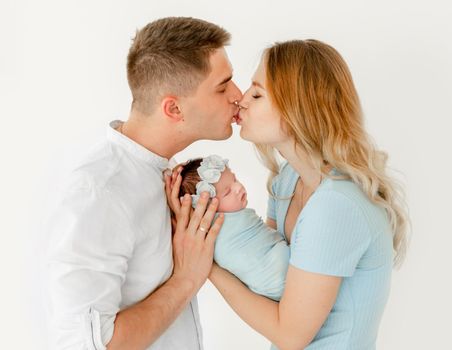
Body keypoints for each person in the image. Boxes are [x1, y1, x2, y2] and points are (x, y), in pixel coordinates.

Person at [169, 40, 409, 349]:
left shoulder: (336, 206)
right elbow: (261, 272)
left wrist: (205, 265)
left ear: (298, 108)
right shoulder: (288, 180)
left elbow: (289, 334)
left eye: (257, 94)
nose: (241, 100)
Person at [45, 17, 241, 350]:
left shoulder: (165, 175)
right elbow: (90, 345)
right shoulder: (100, 193)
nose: (238, 95)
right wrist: (186, 280)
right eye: (223, 87)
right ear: (174, 108)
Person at [172, 154, 290, 301]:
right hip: (280, 272)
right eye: (227, 192)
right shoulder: (216, 227)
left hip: (269, 288)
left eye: (235, 179)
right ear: (204, 209)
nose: (238, 187)